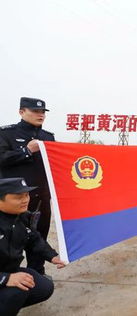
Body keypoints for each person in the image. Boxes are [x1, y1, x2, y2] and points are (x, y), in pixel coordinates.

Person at [0, 97, 55, 275]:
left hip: (41, 198)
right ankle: (8, 276)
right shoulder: (6, 134)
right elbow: (2, 159)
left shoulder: (48, 137)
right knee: (11, 239)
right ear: (22, 112)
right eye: (35, 111)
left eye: (42, 112)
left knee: (39, 236)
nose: (40, 115)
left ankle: (37, 273)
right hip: (12, 199)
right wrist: (27, 151)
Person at [0, 178, 66, 315]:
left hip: (9, 269)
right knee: (16, 292)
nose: (25, 200)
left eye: (26, 195)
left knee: (43, 287)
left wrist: (52, 256)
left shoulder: (22, 216)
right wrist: (6, 279)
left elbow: (34, 239)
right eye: (18, 197)